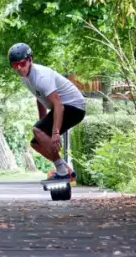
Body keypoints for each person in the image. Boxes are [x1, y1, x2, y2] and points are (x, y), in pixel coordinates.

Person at [8, 42, 86, 182]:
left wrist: (55, 132)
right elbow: (40, 98)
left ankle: (61, 172)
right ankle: (66, 170)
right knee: (36, 142)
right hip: (64, 106)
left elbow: (58, 104)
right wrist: (43, 127)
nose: (19, 68)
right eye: (15, 65)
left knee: (37, 130)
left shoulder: (41, 76)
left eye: (22, 63)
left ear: (30, 60)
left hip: (74, 106)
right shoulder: (25, 78)